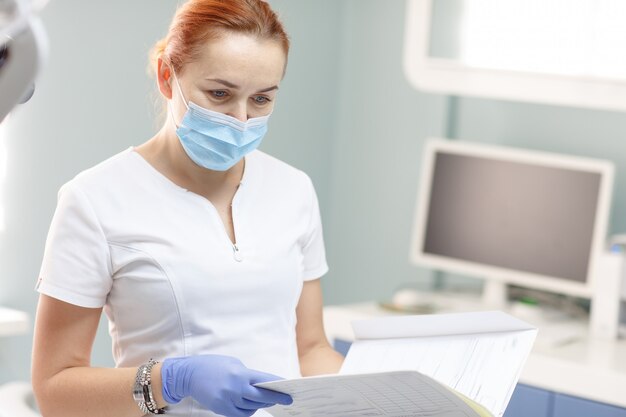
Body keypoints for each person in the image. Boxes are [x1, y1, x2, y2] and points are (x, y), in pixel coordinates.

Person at [30, 0, 345, 416]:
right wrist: (172, 380)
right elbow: (55, 390)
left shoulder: (294, 189)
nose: (241, 119)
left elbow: (311, 349)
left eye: (262, 99)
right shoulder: (94, 200)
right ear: (167, 76)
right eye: (219, 94)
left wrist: (397, 396)